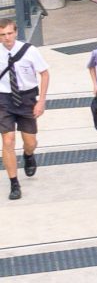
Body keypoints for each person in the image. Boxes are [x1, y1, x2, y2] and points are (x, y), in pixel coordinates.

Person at [0, 17, 43, 199]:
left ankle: (28, 154)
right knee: (8, 141)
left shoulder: (29, 51)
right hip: (4, 99)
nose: (6, 37)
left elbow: (45, 73)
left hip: (26, 98)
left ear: (16, 32)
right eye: (2, 35)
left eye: (9, 33)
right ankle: (14, 183)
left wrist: (41, 101)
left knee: (30, 142)